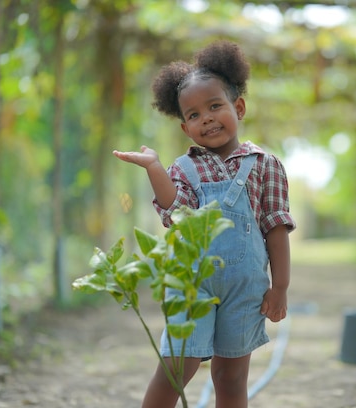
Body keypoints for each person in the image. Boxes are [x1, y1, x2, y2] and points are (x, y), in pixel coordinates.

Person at [112, 40, 296, 408]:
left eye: (215, 106)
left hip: (244, 290)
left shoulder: (266, 165)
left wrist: (281, 287)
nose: (207, 118)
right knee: (177, 366)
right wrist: (155, 168)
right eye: (194, 115)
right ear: (185, 128)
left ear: (238, 107)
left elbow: (276, 229)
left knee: (230, 377)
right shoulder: (184, 168)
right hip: (192, 285)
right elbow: (176, 214)